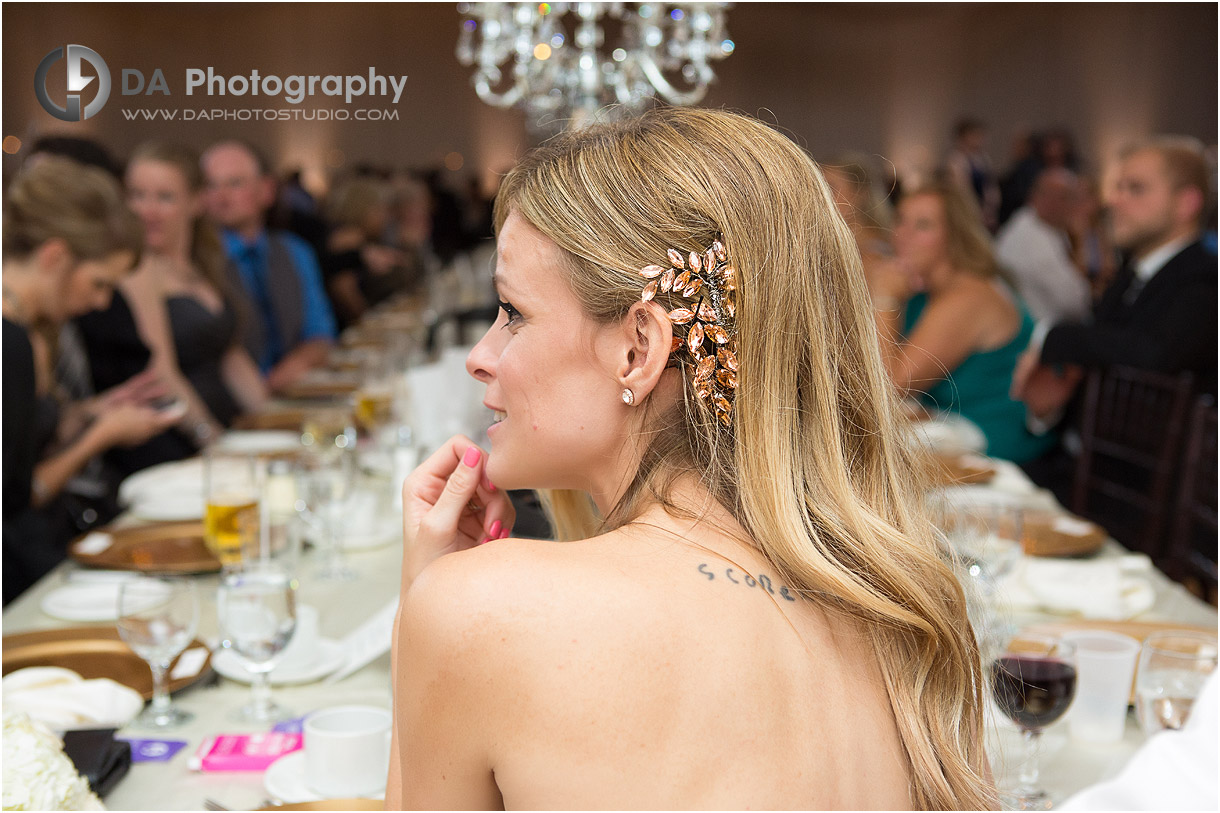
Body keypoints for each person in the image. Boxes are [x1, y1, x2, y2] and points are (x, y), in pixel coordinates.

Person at [388, 108, 995, 809]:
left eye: (513, 311)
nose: (480, 356)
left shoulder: (481, 609)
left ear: (639, 348)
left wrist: (419, 601)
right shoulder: (909, 608)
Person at [3, 158, 179, 603]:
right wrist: (99, 437)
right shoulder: (12, 342)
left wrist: (87, 413)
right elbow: (16, 500)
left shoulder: (28, 331)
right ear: (55, 257)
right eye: (99, 283)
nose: (101, 303)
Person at [1013, 136, 1219, 421]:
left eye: (1136, 189)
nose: (1113, 201)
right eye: (1118, 187)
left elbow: (1151, 353)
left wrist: (1051, 337)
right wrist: (1047, 410)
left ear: (1186, 203)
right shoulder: (1132, 274)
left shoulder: (1206, 278)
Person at [871, 181, 1056, 463]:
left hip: (994, 447)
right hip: (952, 432)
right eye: (900, 220)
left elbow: (889, 388)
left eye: (923, 226)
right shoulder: (925, 292)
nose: (902, 235)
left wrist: (884, 298)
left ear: (955, 236)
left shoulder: (969, 296)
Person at [123, 142, 268, 449]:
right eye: (137, 195)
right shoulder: (138, 269)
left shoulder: (205, 262)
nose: (147, 210)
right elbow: (161, 374)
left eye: (164, 197)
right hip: (178, 439)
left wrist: (272, 421)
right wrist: (213, 440)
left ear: (196, 202)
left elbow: (230, 355)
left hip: (228, 429)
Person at [200, 140, 337, 393]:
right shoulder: (198, 261)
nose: (221, 196)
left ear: (267, 190)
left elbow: (320, 332)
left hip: (295, 392)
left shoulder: (295, 251)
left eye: (235, 183)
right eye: (211, 185)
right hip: (232, 400)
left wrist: (299, 363)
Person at [995, 168, 1092, 323]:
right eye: (1071, 198)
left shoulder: (1041, 227)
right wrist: (1080, 244)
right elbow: (1074, 303)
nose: (1075, 206)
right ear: (1052, 200)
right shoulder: (1030, 240)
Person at [323, 174, 415, 327]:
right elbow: (345, 293)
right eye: (379, 210)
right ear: (363, 209)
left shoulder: (358, 238)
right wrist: (373, 322)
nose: (384, 218)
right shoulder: (347, 238)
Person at [945, 118, 1001, 231]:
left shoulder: (983, 159)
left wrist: (991, 207)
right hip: (968, 210)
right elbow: (961, 190)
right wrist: (975, 211)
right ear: (964, 137)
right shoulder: (957, 160)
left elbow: (990, 185)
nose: (979, 139)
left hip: (984, 210)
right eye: (975, 135)